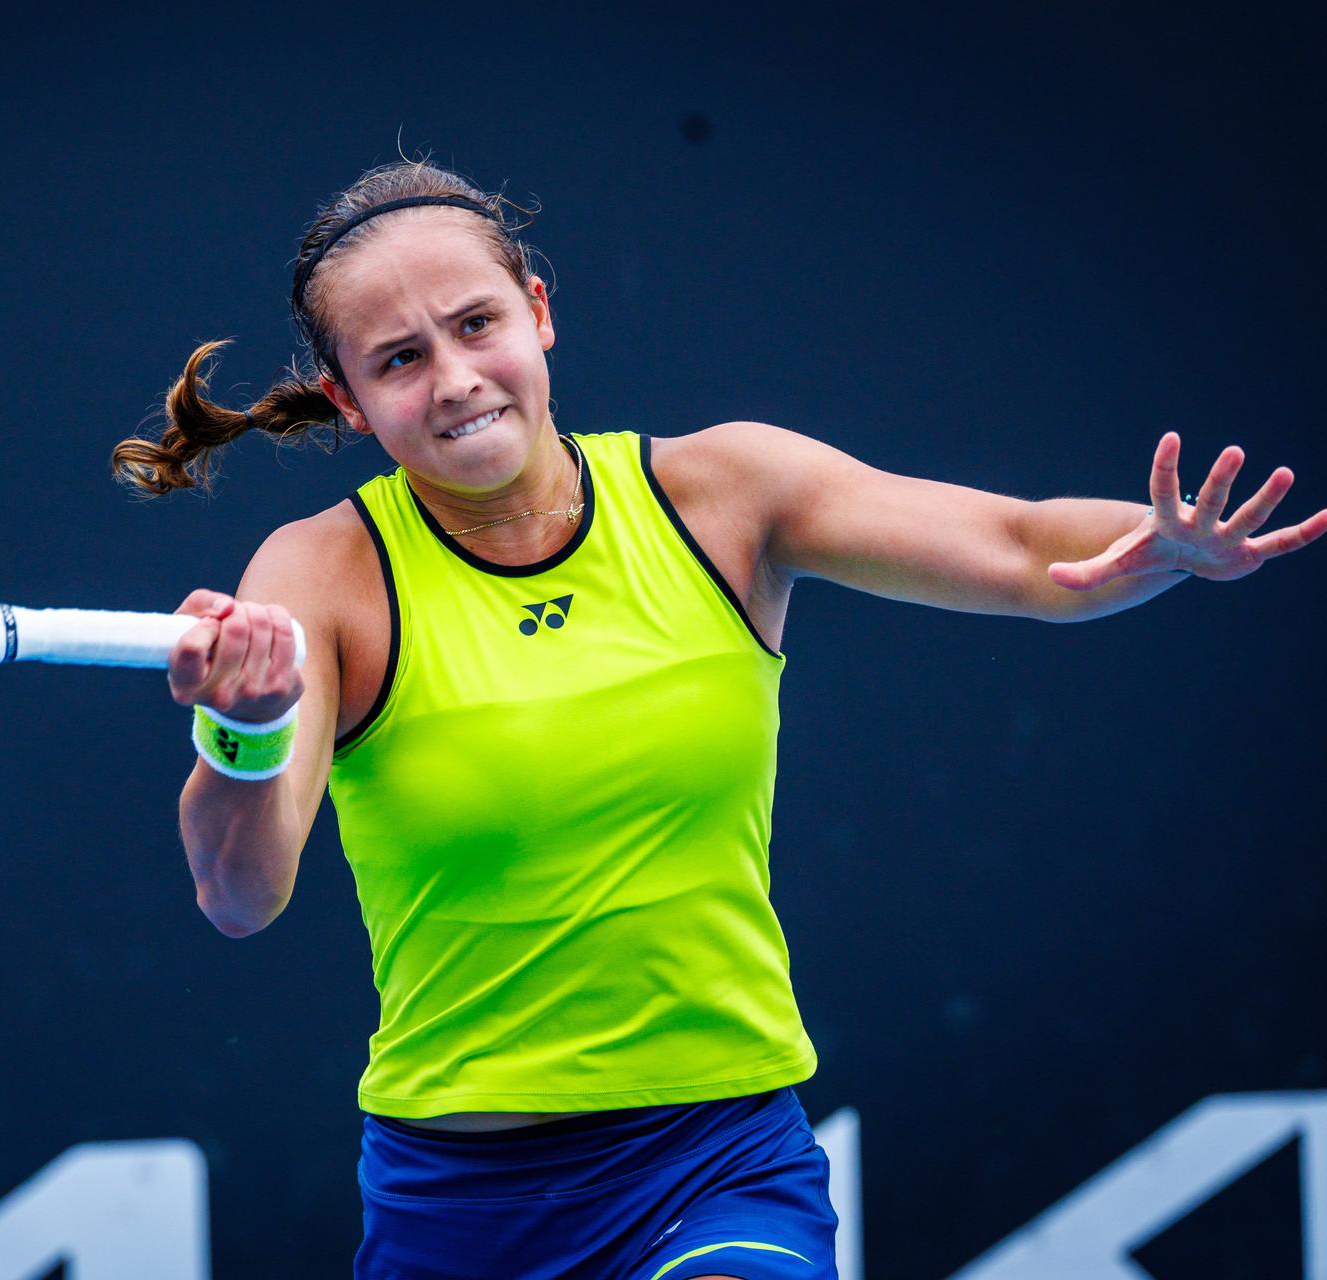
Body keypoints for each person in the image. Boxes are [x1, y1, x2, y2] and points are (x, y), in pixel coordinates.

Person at [109, 160, 1324, 1280]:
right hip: (455, 1202)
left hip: (718, 1161)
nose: (457, 377)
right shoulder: (319, 574)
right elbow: (239, 894)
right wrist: (245, 733)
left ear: (538, 310)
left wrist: (1162, 546)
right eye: (399, 358)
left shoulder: (724, 494)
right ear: (348, 397)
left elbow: (1020, 548)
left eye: (476, 323)